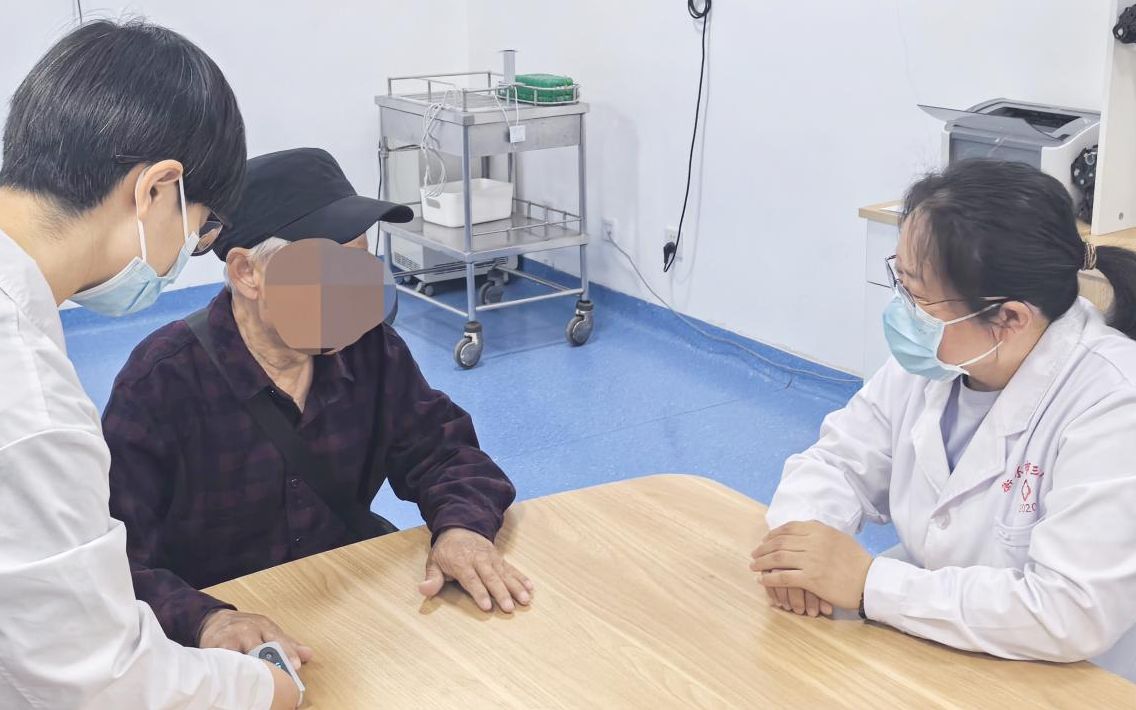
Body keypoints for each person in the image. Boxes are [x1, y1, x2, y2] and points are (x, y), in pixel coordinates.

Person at [103, 147, 532, 670]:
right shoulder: (161, 382)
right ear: (247, 272)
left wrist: (461, 528)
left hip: (351, 611)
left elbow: (444, 452)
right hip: (229, 646)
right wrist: (205, 620)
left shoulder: (369, 348)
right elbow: (114, 559)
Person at [0, 20, 299, 709]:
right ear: (158, 190)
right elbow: (98, 685)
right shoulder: (30, 403)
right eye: (200, 229)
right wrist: (265, 688)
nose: (187, 251)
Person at [750, 159, 1136, 681]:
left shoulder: (1114, 402)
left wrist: (869, 584)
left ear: (1010, 318)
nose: (903, 310)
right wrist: (803, 546)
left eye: (918, 295)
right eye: (900, 280)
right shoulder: (943, 359)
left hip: (1067, 678)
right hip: (934, 648)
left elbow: (1069, 611)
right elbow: (838, 461)